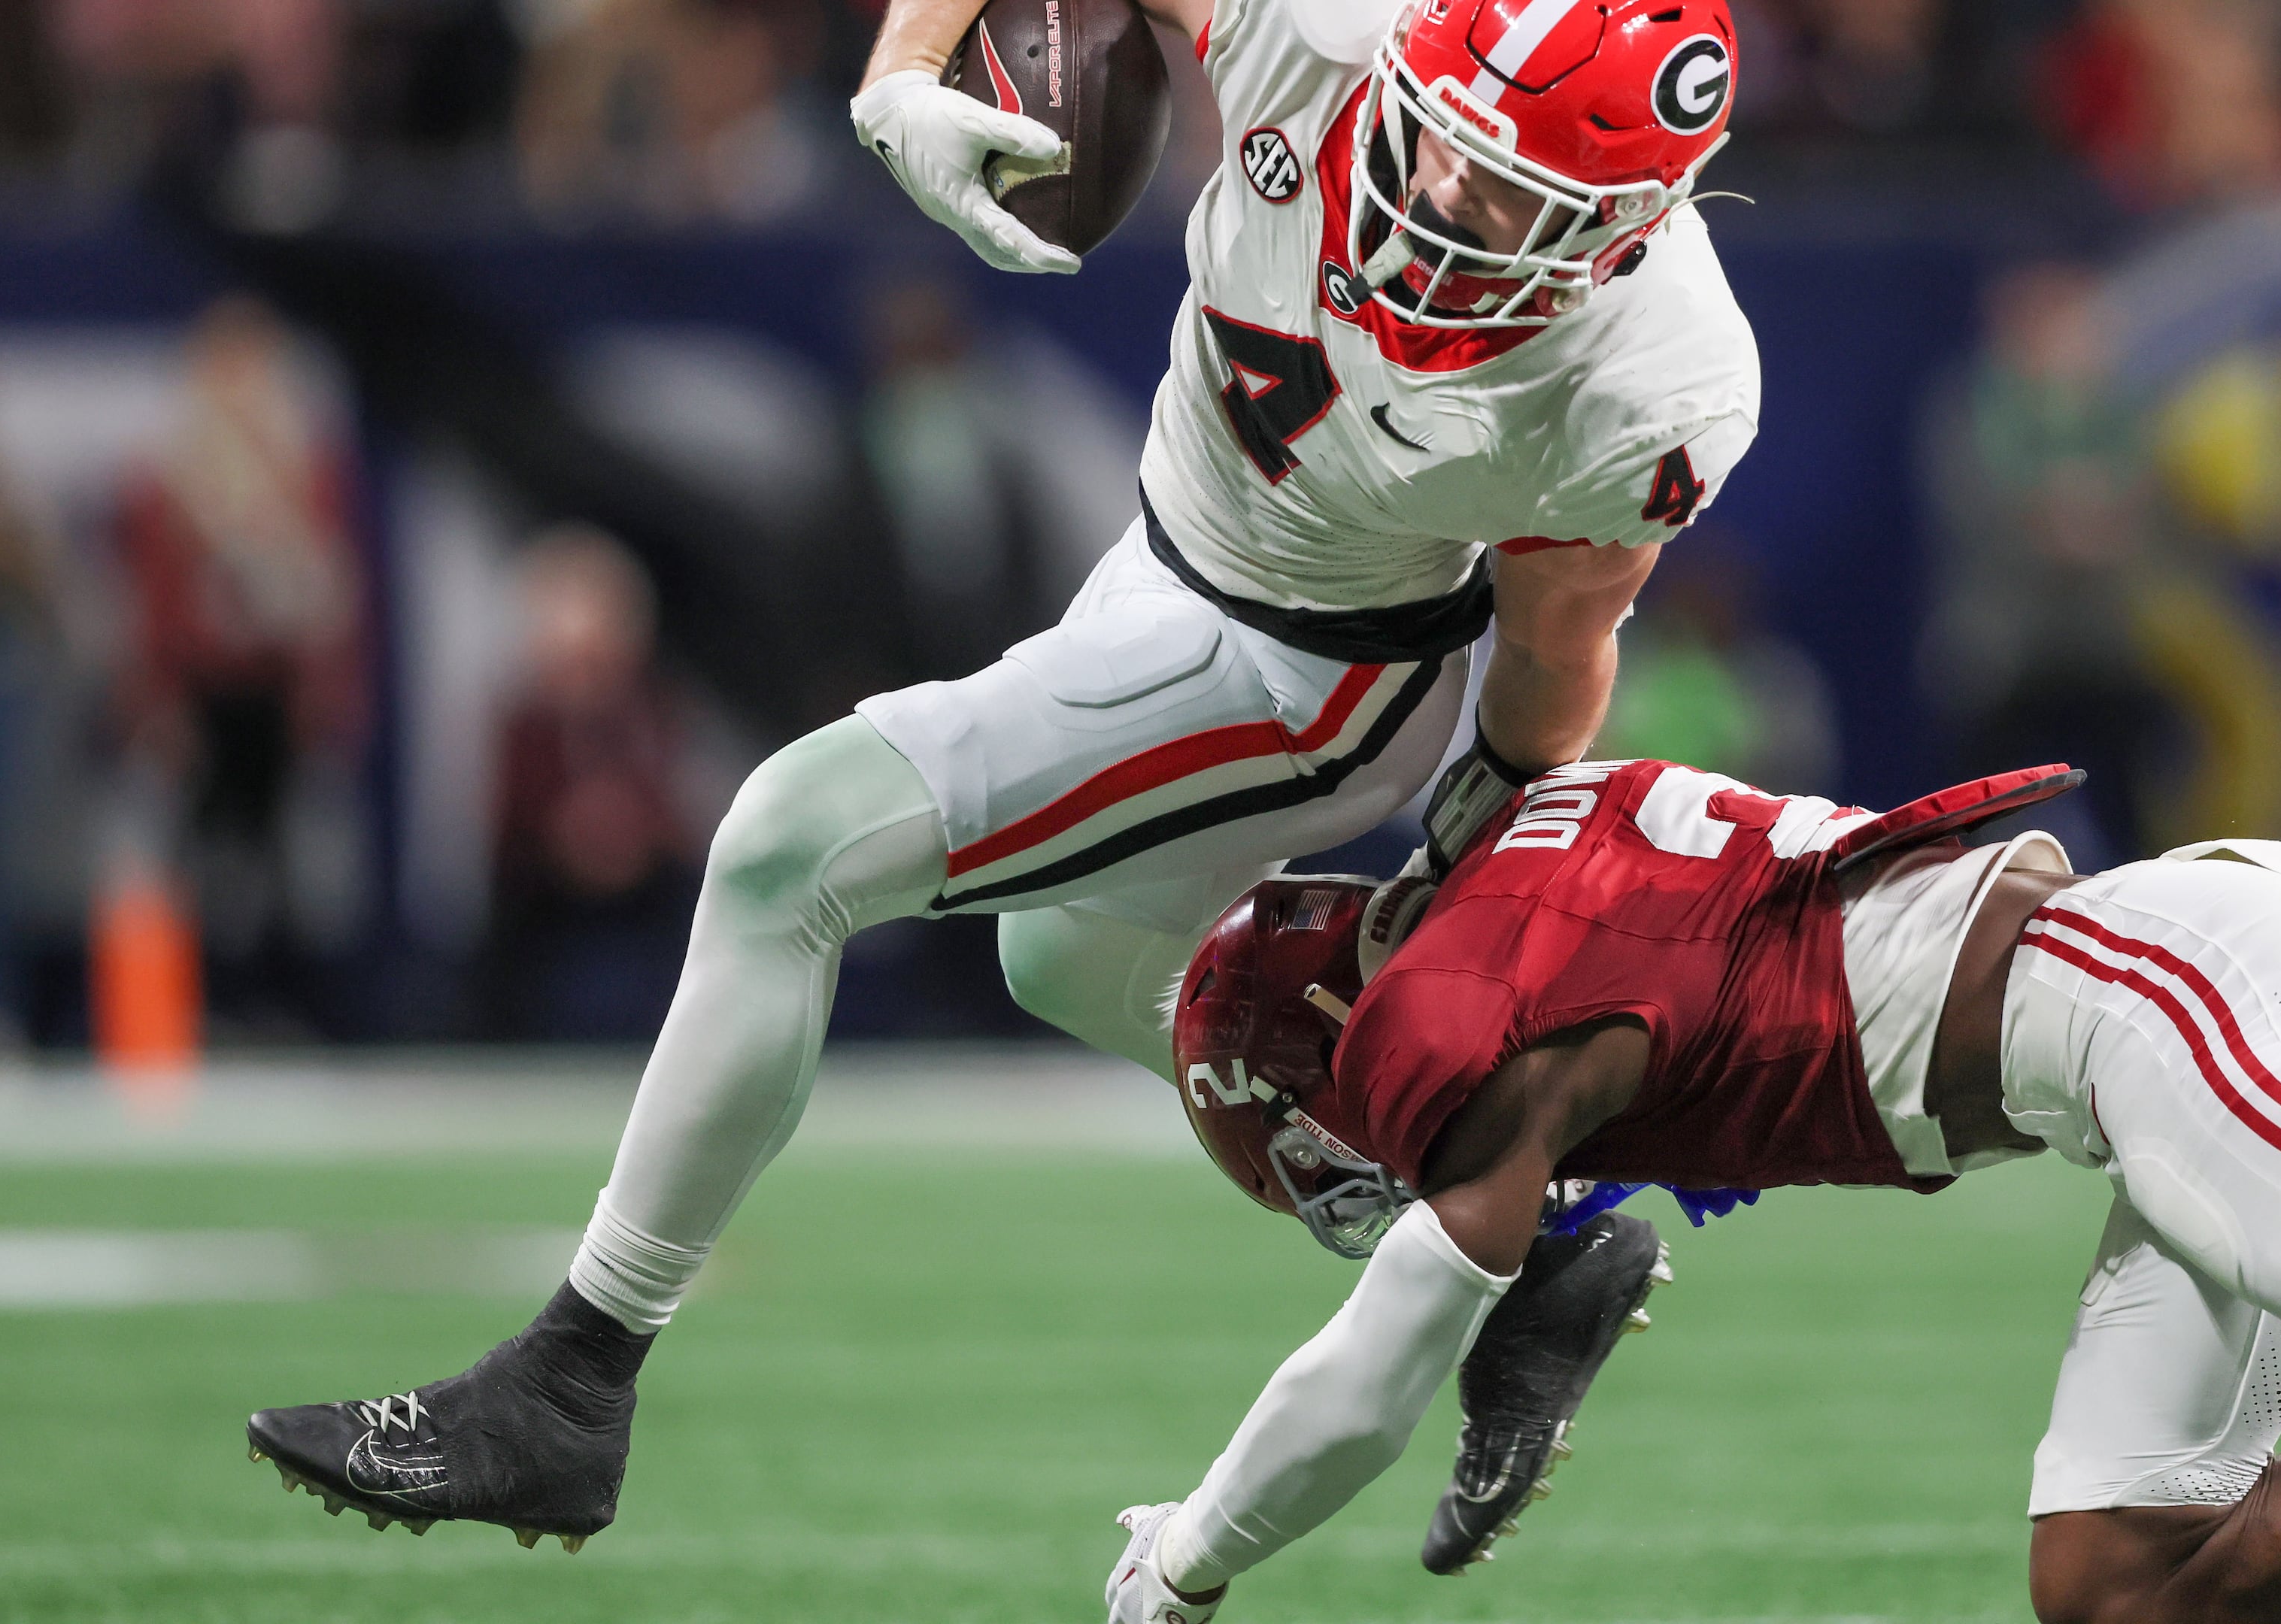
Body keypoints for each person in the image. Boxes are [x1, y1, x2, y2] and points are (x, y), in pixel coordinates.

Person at [244, 0, 1761, 1550]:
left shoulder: (1653, 385)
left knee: (792, 846)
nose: (1438, 197)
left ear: (1629, 227)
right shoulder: (1333, 30)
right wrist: (903, 72)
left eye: (1508, 196)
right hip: (1171, 550)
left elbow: (1555, 644)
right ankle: (1520, 1240)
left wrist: (1478, 840)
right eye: (1439, 139)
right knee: (1067, 963)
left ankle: (568, 1385)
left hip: (1323, 666)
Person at [1113, 756, 2281, 1623]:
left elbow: (1375, 1369)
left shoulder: (1439, 1028)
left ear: (1323, 1041)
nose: (1350, 1160)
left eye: (1310, 1132)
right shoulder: (1508, 867)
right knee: (2112, 1589)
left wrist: (1184, 1565)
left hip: (2165, 1000)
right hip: (2130, 1055)